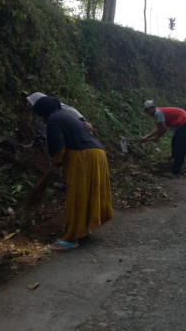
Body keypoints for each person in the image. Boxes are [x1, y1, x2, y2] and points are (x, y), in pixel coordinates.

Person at [28, 96, 112, 251]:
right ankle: (84, 229)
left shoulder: (53, 119)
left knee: (77, 196)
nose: (39, 118)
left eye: (39, 115)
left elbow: (59, 149)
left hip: (83, 156)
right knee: (87, 194)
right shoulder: (67, 115)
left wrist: (53, 166)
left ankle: (71, 238)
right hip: (97, 153)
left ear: (43, 112)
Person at [24, 91, 93, 149]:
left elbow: (87, 127)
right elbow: (44, 132)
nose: (29, 106)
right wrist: (33, 145)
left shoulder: (67, 111)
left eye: (31, 104)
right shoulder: (42, 115)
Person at [141, 101, 186, 176]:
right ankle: (174, 161)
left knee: (180, 146)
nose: (147, 113)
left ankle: (175, 171)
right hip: (182, 122)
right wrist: (146, 137)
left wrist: (157, 137)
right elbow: (158, 128)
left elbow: (164, 129)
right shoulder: (156, 113)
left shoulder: (158, 113)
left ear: (151, 108)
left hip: (184, 120)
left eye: (147, 110)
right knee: (175, 142)